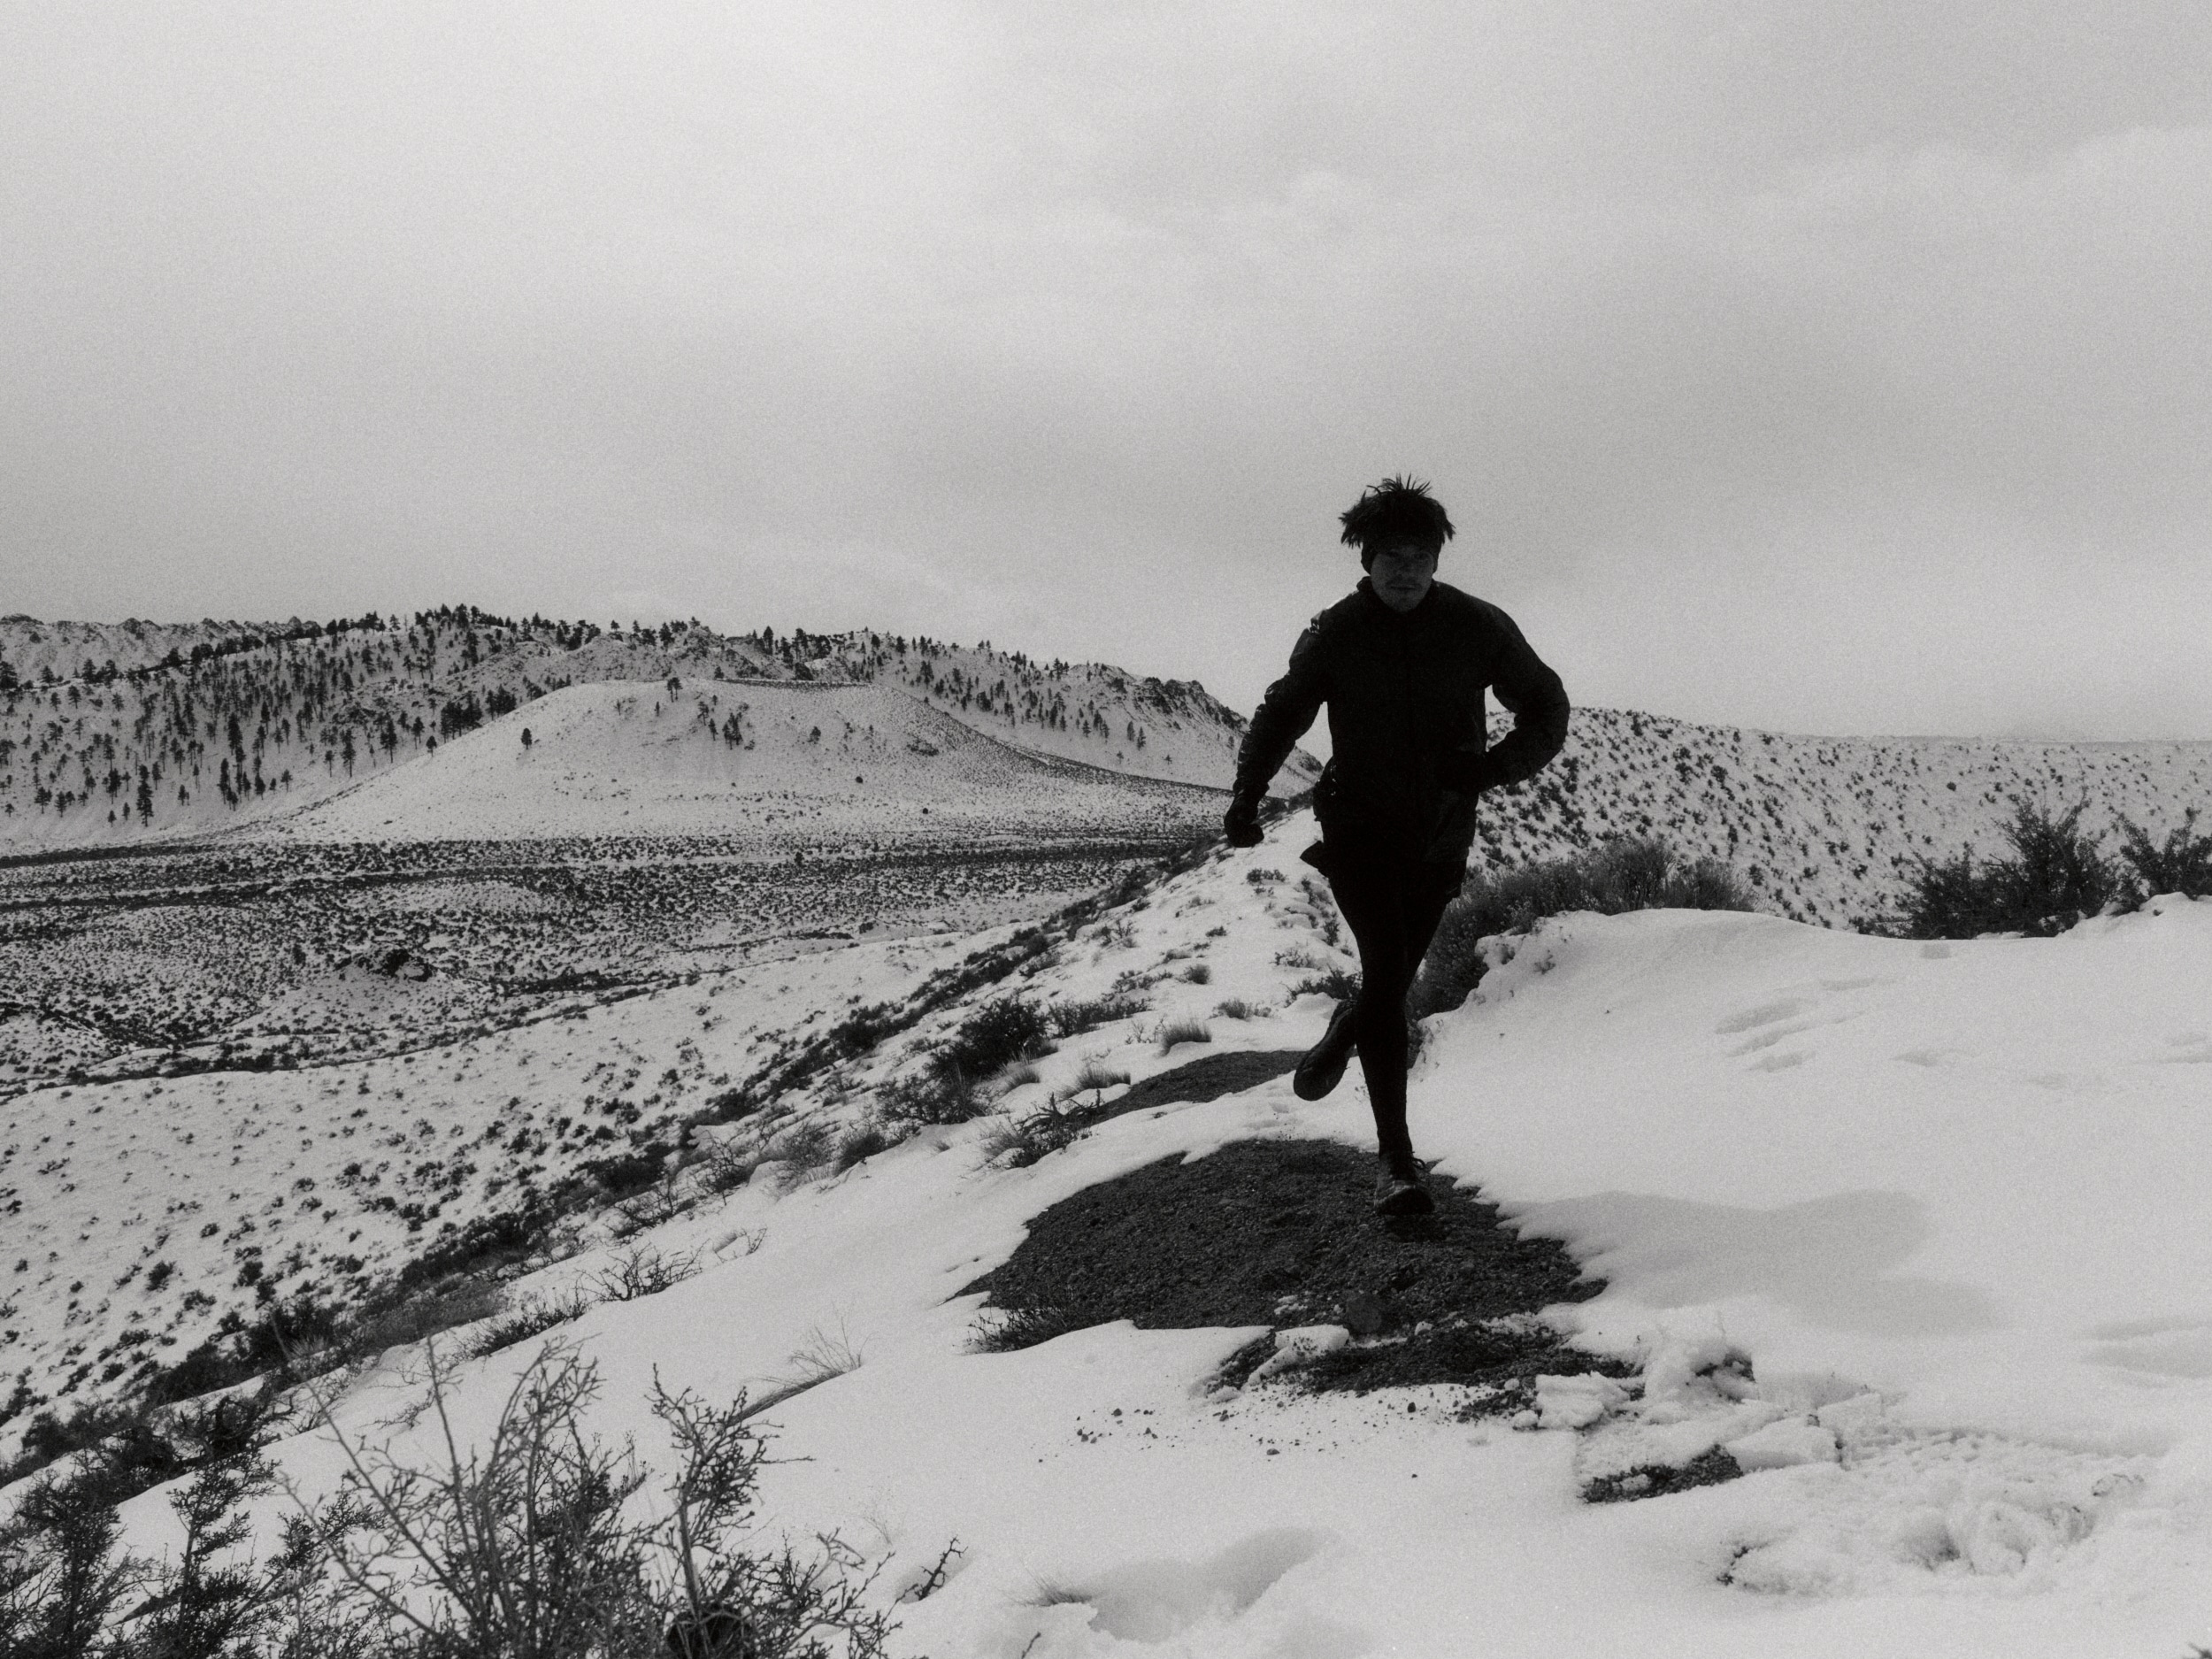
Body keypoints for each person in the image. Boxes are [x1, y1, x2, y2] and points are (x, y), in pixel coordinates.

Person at [1225, 476, 1570, 1216]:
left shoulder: (1477, 627)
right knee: (1386, 969)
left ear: (1438, 560)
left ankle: (1348, 1023)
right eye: (1392, 557)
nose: (1406, 571)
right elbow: (1282, 712)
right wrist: (1247, 793)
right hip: (1358, 830)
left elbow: (1547, 706)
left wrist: (1491, 769)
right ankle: (1396, 1162)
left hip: (1440, 838)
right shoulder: (1337, 632)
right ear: (1367, 559)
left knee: (1388, 985)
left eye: (1420, 557)